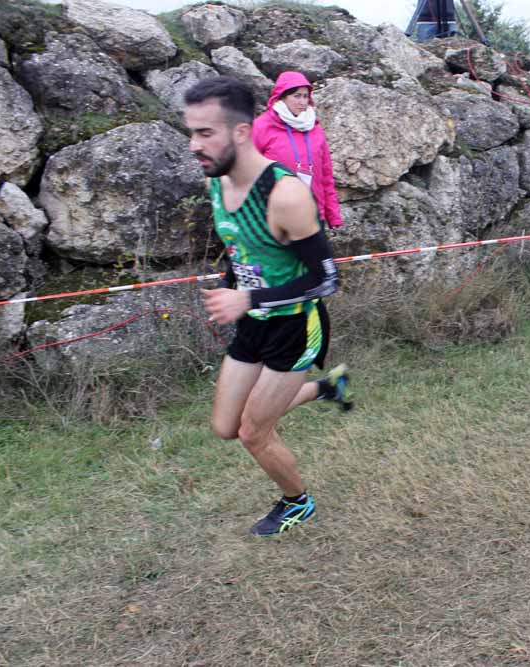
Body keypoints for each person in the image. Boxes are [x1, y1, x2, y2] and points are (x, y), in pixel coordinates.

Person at [183, 76, 354, 537]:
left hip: (296, 327)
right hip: (254, 323)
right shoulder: (218, 183)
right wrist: (230, 286)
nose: (194, 145)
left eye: (205, 133)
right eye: (191, 132)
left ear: (240, 132)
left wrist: (248, 298)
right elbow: (243, 252)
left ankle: (298, 502)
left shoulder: (285, 194)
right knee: (225, 425)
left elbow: (326, 278)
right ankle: (327, 389)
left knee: (253, 431)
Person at [251, 71, 344, 230]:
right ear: (282, 97)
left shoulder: (315, 129)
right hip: (275, 218)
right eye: (296, 96)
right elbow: (247, 173)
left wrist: (332, 215)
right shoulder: (261, 126)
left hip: (313, 215)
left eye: (305, 96)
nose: (302, 101)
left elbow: (326, 176)